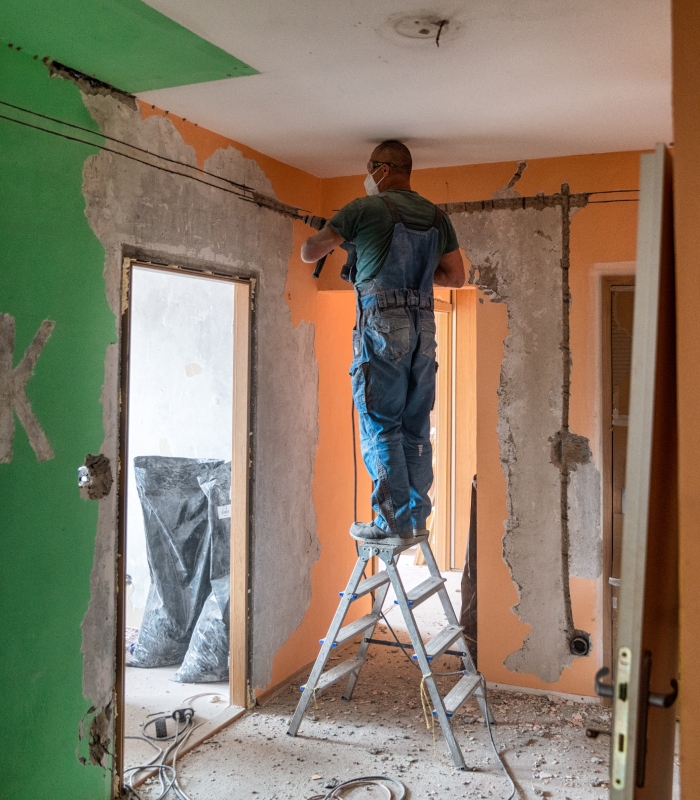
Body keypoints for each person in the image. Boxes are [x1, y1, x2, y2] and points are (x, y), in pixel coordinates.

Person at [301, 141, 465, 541]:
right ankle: (416, 516)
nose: (368, 175)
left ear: (384, 169)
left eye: (370, 168)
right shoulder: (436, 216)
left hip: (383, 326)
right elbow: (456, 277)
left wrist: (341, 235)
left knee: (381, 423)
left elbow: (309, 252)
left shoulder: (364, 209)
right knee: (414, 425)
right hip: (424, 326)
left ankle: (390, 521)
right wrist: (420, 281)